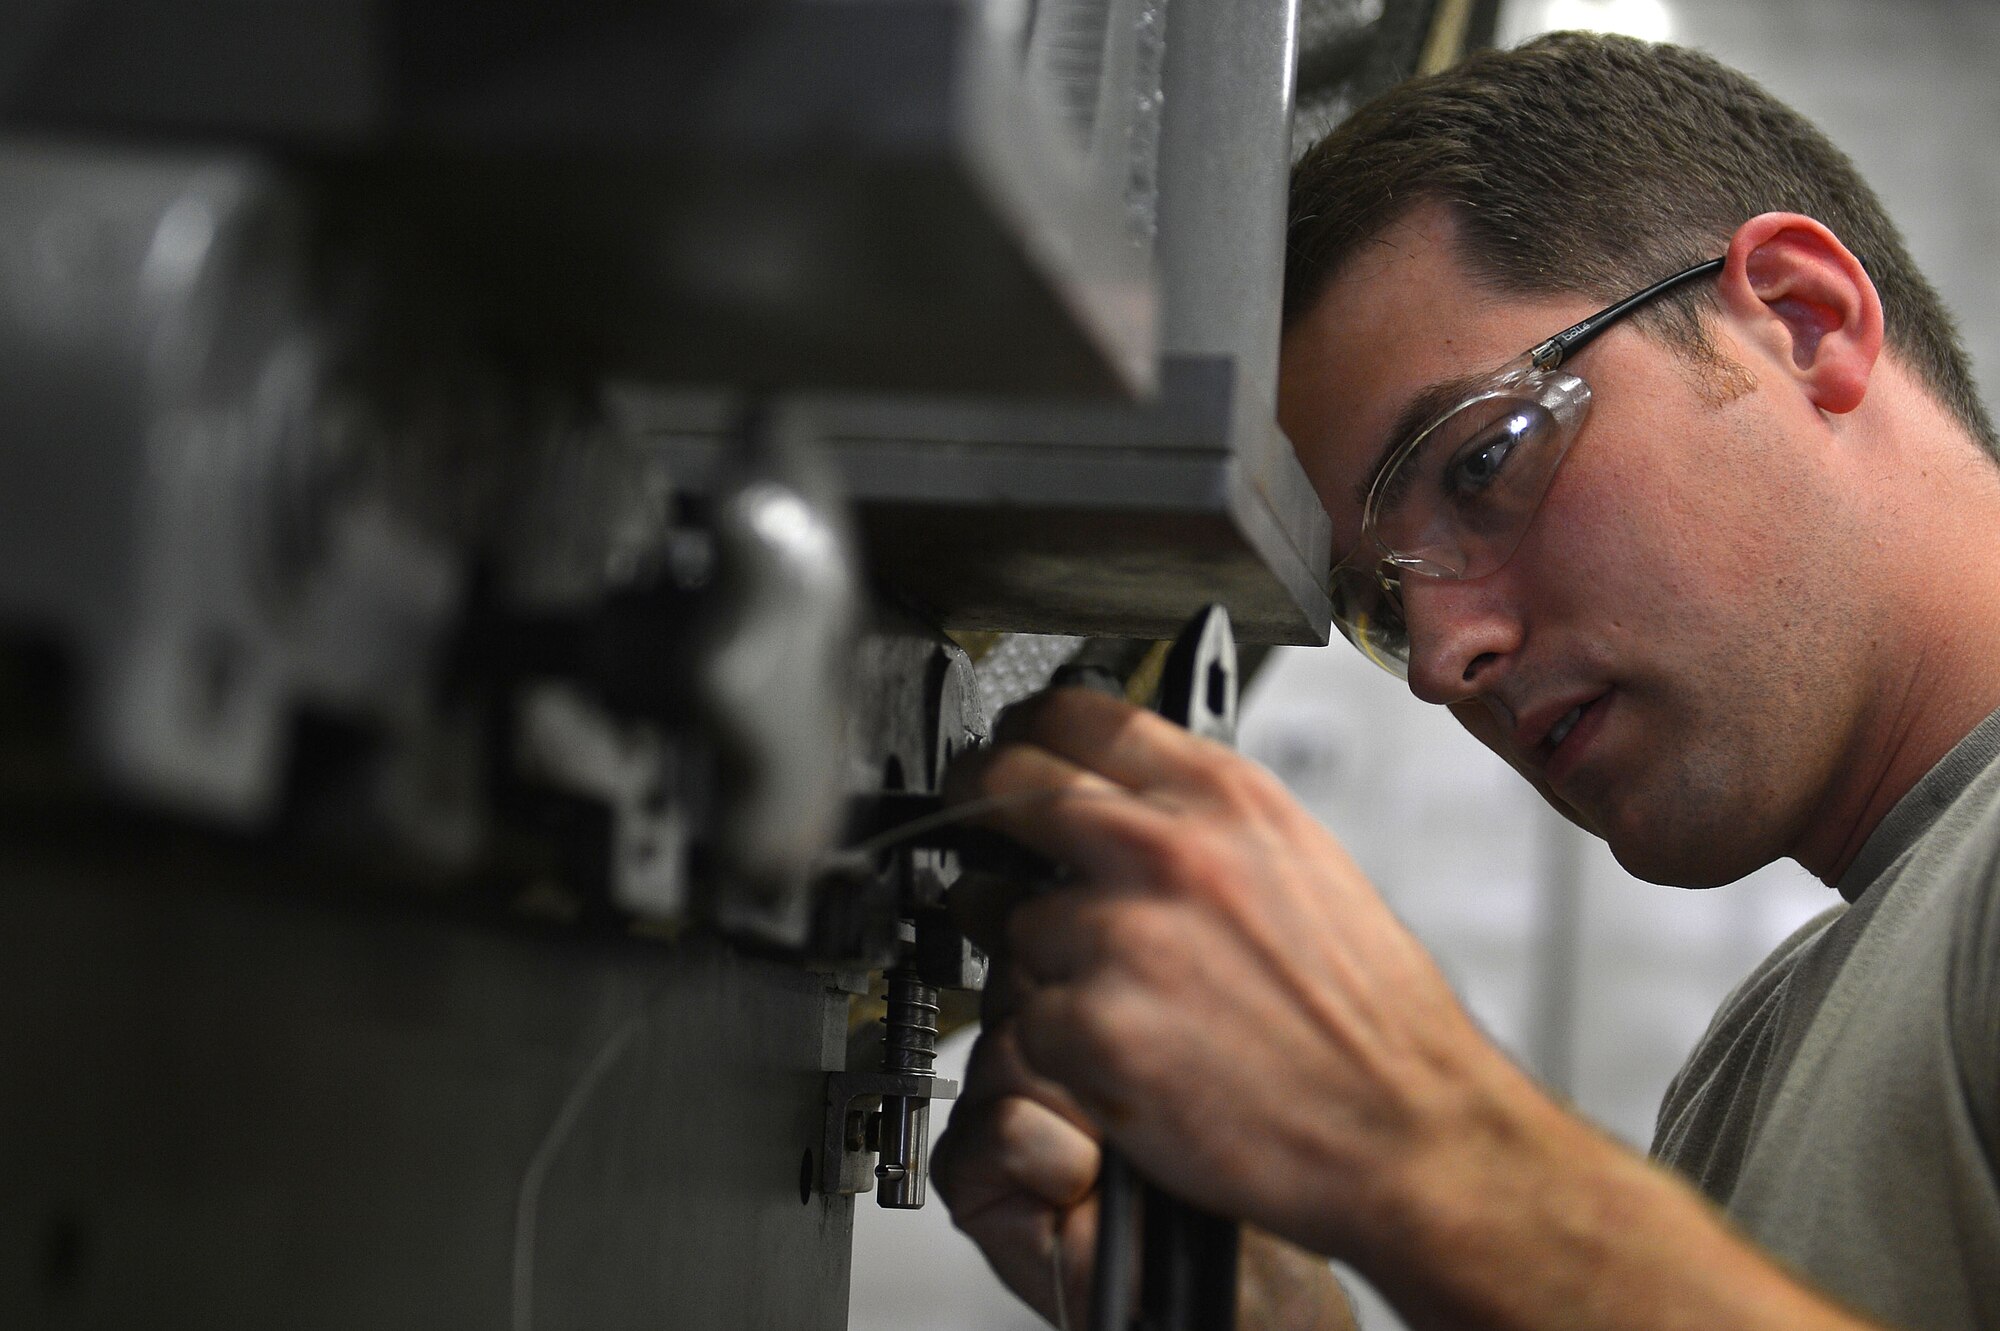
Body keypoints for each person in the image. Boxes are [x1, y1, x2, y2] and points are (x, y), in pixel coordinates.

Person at [930, 31, 2000, 1331]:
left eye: (1480, 467)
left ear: (1800, 320)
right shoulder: (1756, 1068)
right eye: (1382, 603)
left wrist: (1417, 1138)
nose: (1441, 662)